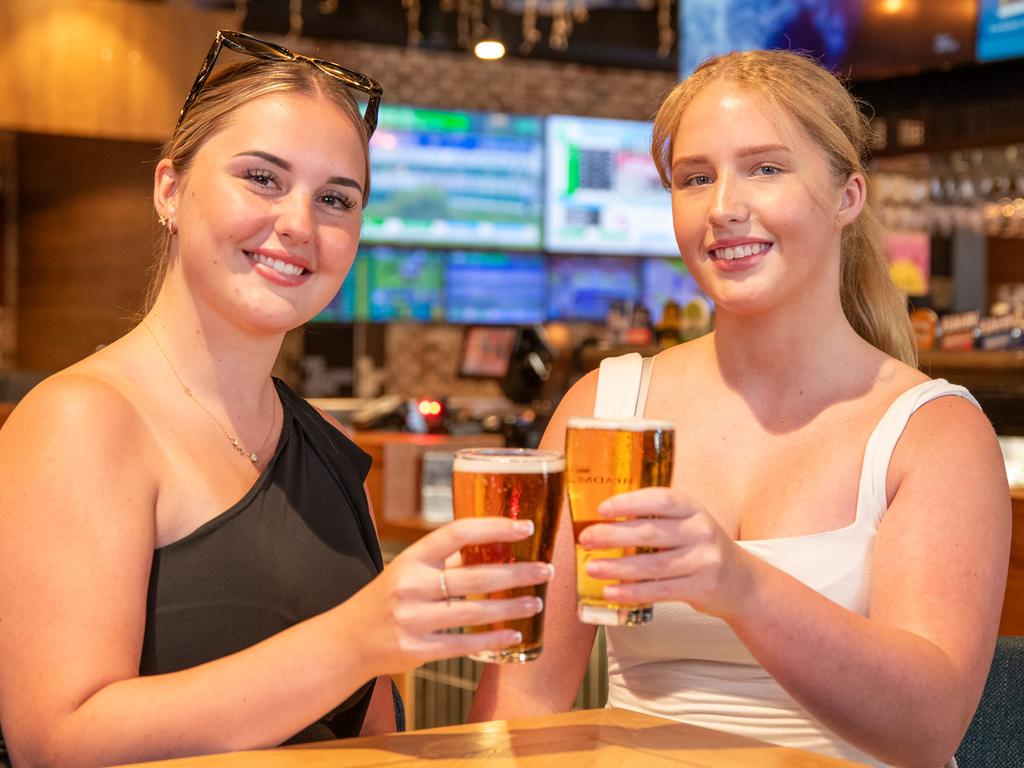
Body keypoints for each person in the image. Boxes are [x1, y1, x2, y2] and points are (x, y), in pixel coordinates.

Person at [0, 31, 551, 768]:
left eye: (335, 199)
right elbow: (56, 741)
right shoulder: (82, 420)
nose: (299, 225)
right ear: (169, 189)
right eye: (262, 178)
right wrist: (355, 639)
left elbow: (372, 729)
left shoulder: (318, 439)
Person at [470, 50, 1011, 768]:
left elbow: (927, 728)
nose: (723, 206)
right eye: (696, 178)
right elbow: (526, 699)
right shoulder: (606, 407)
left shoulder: (934, 432)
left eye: (765, 168)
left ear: (848, 197)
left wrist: (739, 584)